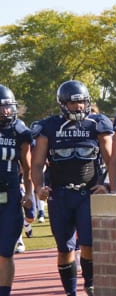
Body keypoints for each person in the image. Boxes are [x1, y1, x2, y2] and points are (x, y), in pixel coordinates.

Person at [31, 80, 113, 296]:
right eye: (73, 103)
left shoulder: (96, 124)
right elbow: (37, 164)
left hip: (88, 193)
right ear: (62, 104)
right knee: (64, 248)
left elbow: (111, 159)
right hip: (59, 194)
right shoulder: (49, 126)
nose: (78, 107)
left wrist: (107, 185)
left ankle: (90, 284)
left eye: (82, 102)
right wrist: (39, 187)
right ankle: (70, 292)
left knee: (88, 244)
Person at [0, 85, 34, 296]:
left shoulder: (19, 130)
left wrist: (29, 192)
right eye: (1, 107)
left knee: (6, 251)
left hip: (10, 196)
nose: (6, 111)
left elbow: (28, 167)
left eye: (8, 106)